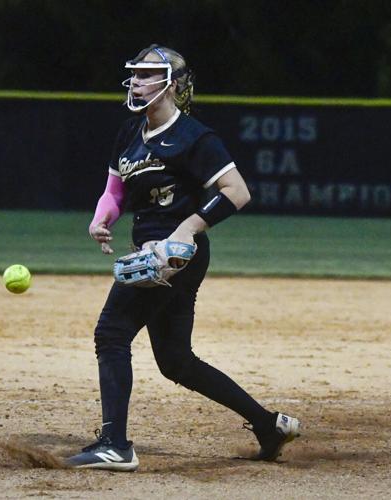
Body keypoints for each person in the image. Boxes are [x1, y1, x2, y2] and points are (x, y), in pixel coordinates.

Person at [65, 45, 300, 471]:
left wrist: (185, 231)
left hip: (175, 255)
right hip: (151, 251)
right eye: (134, 74)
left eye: (147, 74)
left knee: (111, 334)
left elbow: (237, 192)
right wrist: (103, 219)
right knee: (176, 360)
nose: (136, 81)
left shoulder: (195, 136)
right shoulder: (130, 133)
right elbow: (115, 190)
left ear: (170, 84)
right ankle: (268, 424)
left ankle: (114, 444)